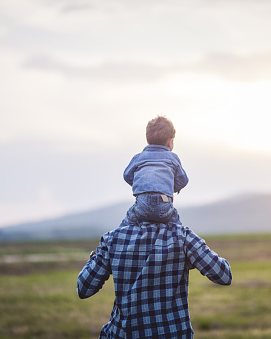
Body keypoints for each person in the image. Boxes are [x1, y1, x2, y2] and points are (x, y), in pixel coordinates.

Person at [77, 220, 232, 338]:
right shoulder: (183, 237)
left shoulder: (113, 238)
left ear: (136, 194)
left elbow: (84, 288)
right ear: (170, 197)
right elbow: (224, 275)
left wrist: (100, 255)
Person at [121, 116, 189, 227]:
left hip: (142, 205)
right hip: (164, 205)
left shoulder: (139, 157)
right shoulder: (172, 158)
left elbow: (127, 175)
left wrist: (142, 184)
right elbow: (183, 181)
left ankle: (115, 241)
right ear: (170, 142)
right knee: (178, 227)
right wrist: (169, 186)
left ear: (147, 141)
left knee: (125, 225)